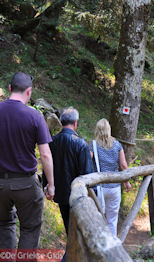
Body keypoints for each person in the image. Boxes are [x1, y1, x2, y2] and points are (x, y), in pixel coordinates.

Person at [0, 72, 55, 250]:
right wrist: (51, 184)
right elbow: (45, 154)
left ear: (10, 88)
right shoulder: (35, 116)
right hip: (26, 184)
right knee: (30, 229)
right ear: (29, 92)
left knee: (3, 225)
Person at [45, 106, 94, 235]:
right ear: (75, 123)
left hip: (60, 194)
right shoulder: (81, 144)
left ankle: (70, 253)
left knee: (69, 228)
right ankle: (70, 255)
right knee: (80, 232)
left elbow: (47, 165)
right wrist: (93, 195)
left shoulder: (52, 142)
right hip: (78, 196)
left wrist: (47, 185)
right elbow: (88, 173)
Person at [90, 118, 131, 237]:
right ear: (109, 129)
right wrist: (127, 182)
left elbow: (88, 161)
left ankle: (99, 245)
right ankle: (112, 246)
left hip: (99, 187)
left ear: (97, 130)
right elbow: (123, 165)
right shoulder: (117, 144)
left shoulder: (93, 145)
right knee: (112, 220)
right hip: (114, 187)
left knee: (98, 218)